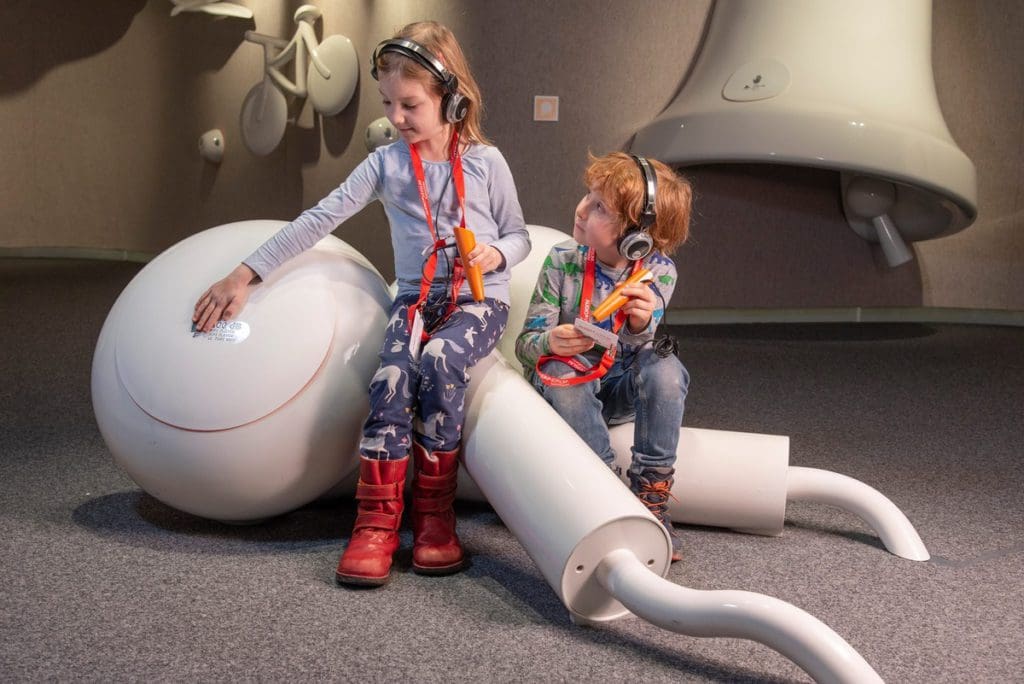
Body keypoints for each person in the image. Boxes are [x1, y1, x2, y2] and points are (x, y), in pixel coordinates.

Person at [193, 21, 530, 586]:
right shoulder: (386, 165)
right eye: (388, 102)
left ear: (451, 98)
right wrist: (244, 274)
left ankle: (434, 521)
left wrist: (495, 255)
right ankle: (375, 525)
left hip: (477, 302)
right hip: (415, 300)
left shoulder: (486, 162)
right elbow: (317, 220)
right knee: (393, 376)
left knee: (441, 362)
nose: (396, 118)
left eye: (410, 104)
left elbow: (518, 235)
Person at [515, 152, 691, 561]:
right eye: (588, 196)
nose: (580, 209)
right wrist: (549, 343)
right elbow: (527, 346)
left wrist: (639, 323)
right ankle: (606, 493)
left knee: (666, 367)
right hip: (567, 388)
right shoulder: (563, 259)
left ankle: (651, 497)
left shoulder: (659, 272)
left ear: (637, 236)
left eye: (599, 207)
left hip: (615, 384)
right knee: (563, 366)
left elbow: (639, 349)